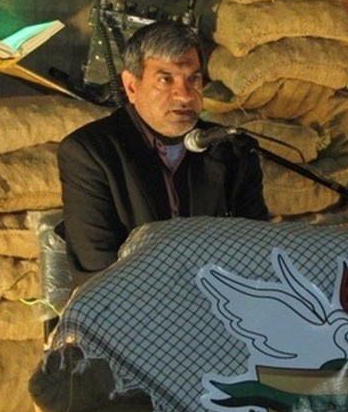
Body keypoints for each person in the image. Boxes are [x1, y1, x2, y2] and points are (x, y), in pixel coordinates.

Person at [58, 20, 269, 288]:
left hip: (218, 302)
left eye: (193, 79)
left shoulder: (232, 150)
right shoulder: (90, 153)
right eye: (165, 79)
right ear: (131, 86)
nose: (184, 95)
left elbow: (255, 251)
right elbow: (97, 273)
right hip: (130, 305)